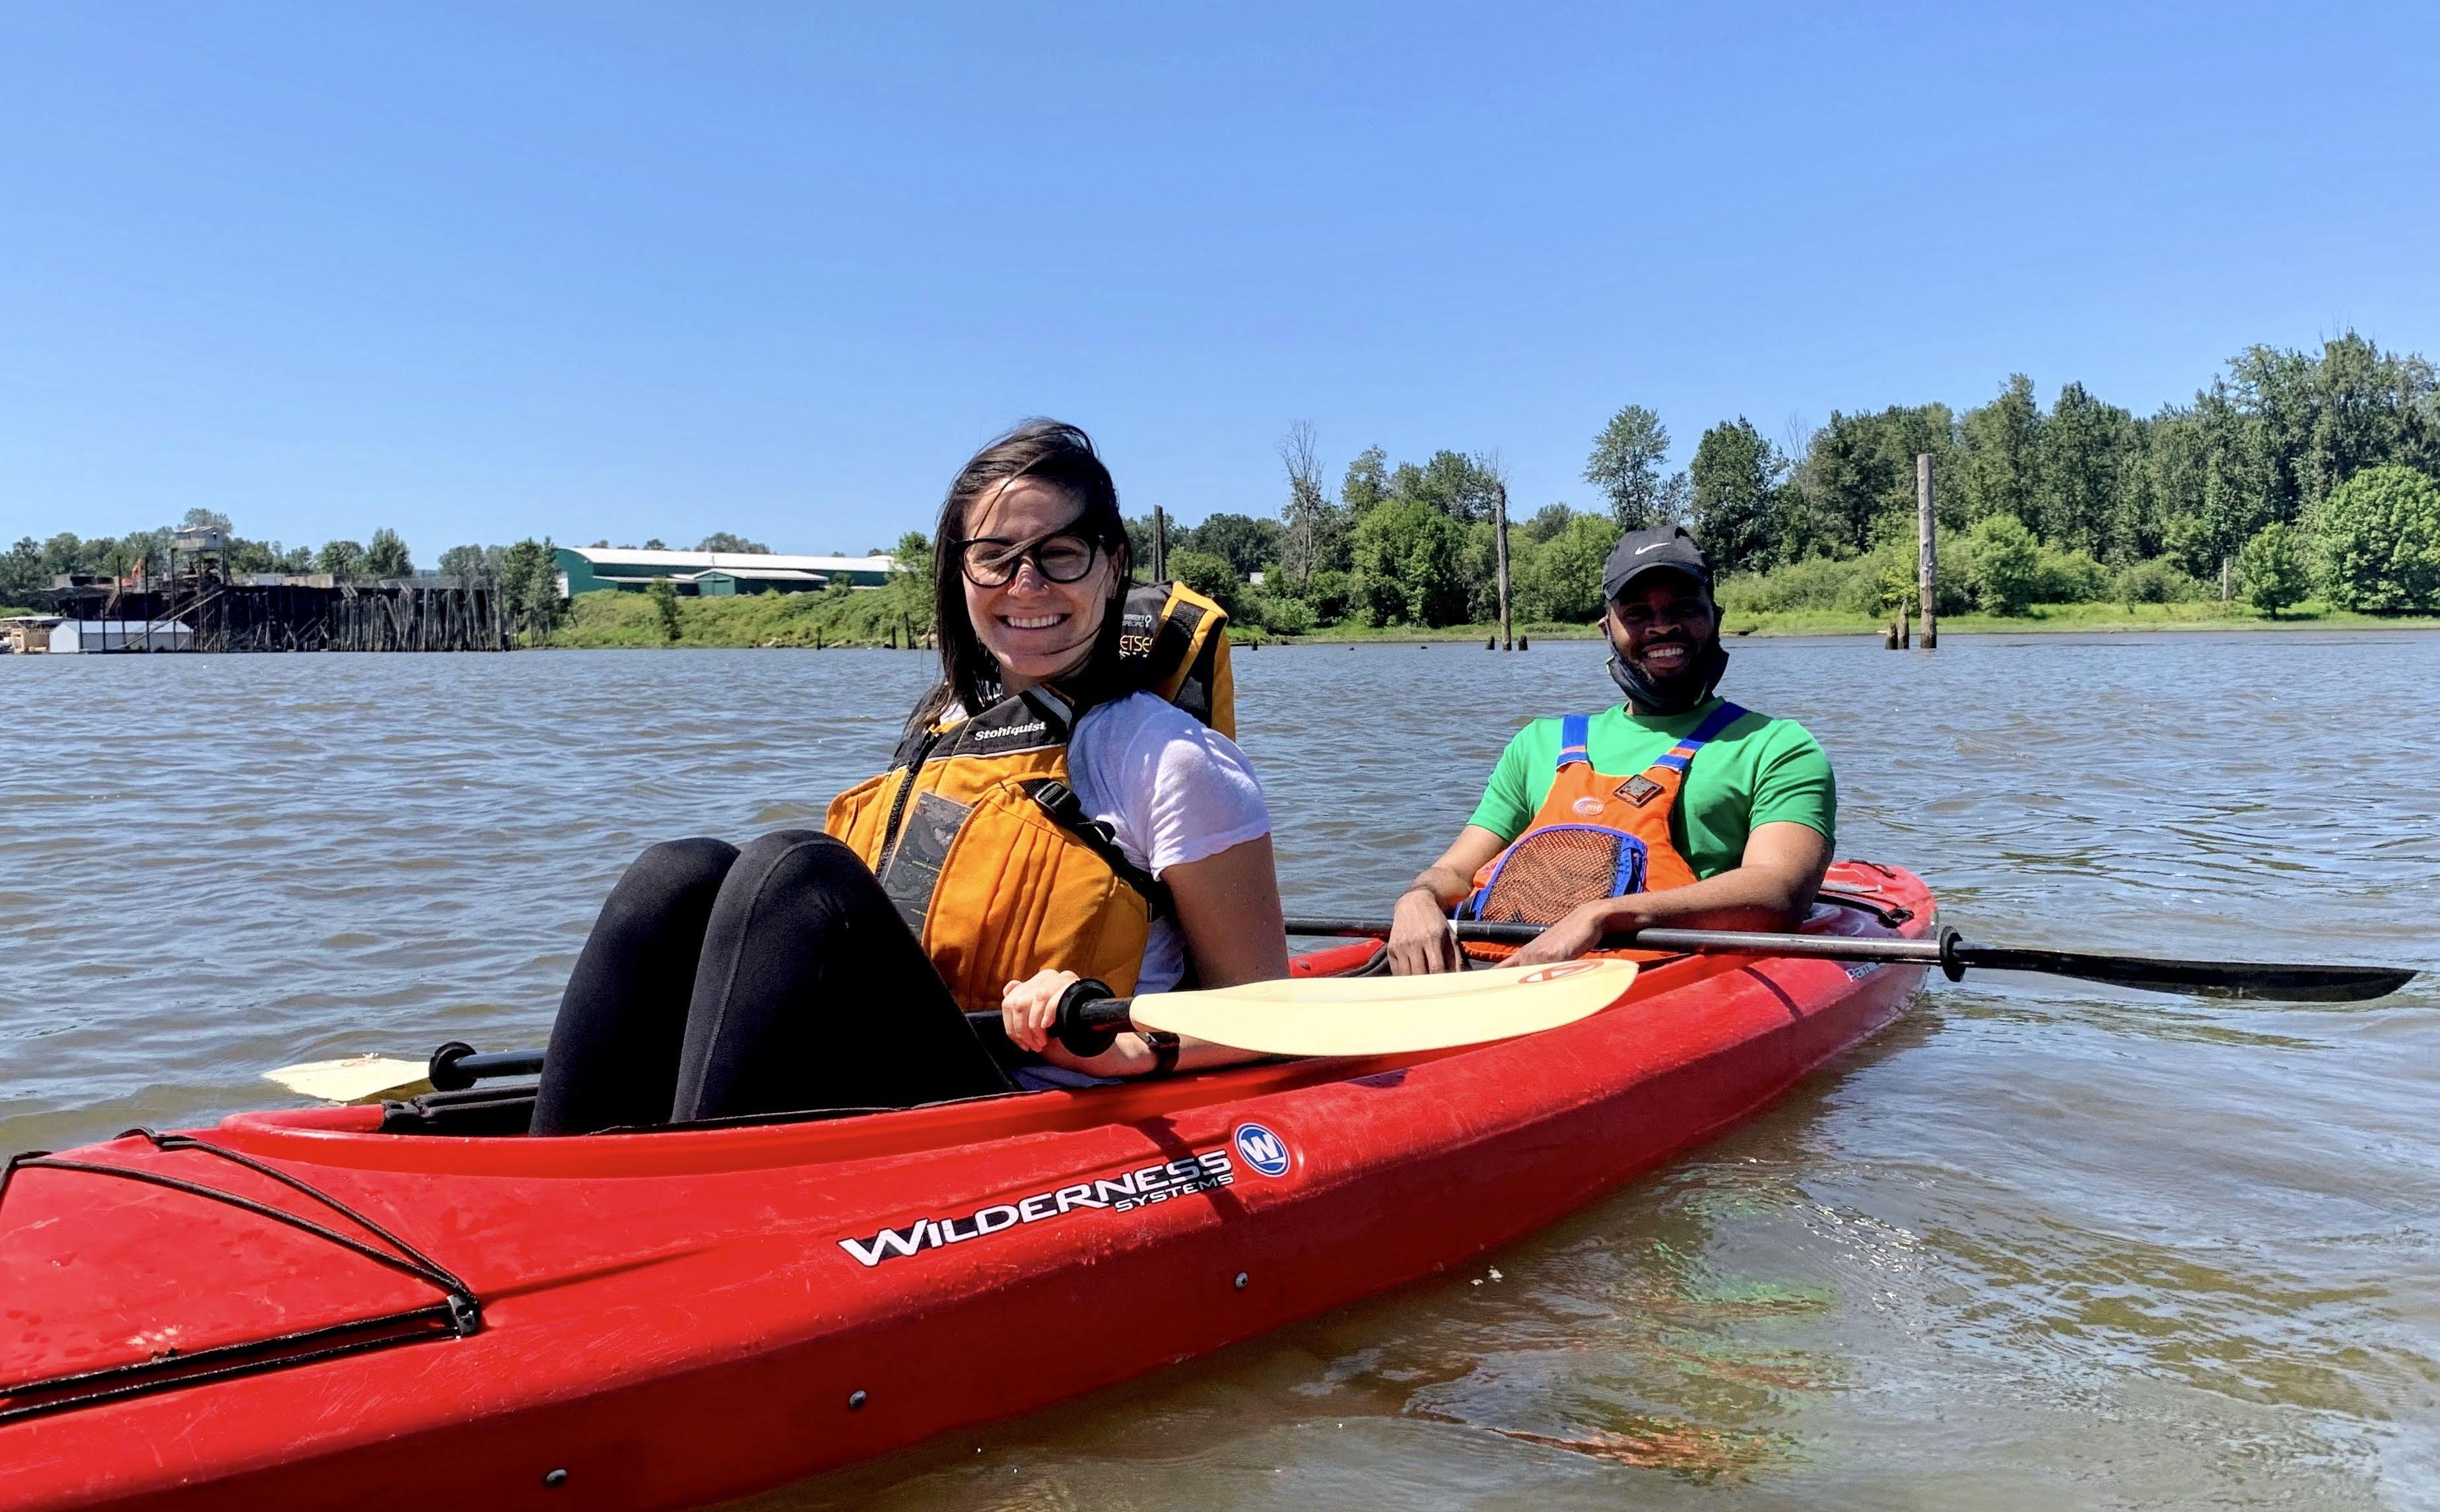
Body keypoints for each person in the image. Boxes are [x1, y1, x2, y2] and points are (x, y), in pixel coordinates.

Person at [532, 421, 1287, 1132]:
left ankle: (703, 1196)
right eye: (995, 555)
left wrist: (1115, 1040)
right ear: (960, 572)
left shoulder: (1170, 759)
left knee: (796, 874)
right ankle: (546, 1179)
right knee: (680, 873)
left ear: (1113, 562)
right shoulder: (949, 728)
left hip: (1028, 1115)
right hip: (911, 1076)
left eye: (1061, 553)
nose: (1026, 584)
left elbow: (1264, 1015)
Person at [1386, 523, 1835, 974]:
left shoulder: (1777, 747)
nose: (1662, 626)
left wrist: (1601, 914)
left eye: (1683, 607)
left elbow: (1780, 893)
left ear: (1714, 616)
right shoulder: (1538, 743)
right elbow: (1457, 872)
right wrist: (1418, 896)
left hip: (1665, 977)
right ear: (1608, 627)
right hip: (1508, 966)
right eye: (1637, 613)